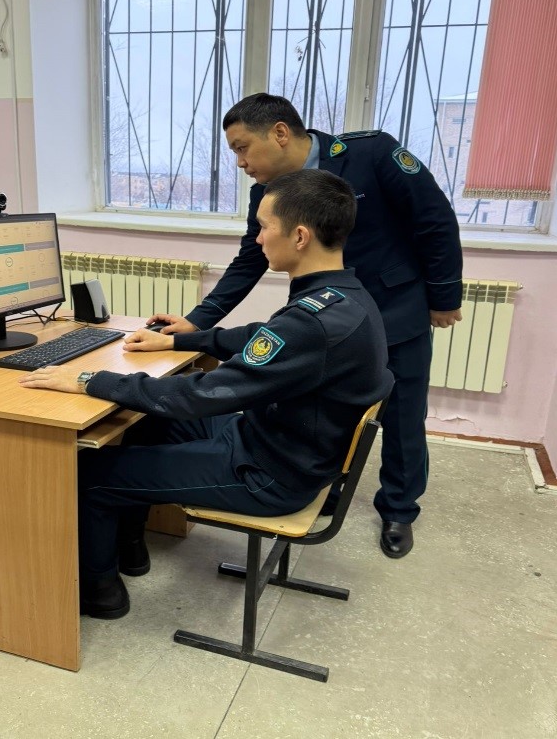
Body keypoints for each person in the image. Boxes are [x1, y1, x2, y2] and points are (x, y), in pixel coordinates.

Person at [20, 169, 394, 619]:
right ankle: (130, 550)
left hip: (270, 474)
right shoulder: (344, 295)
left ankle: (100, 592)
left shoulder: (313, 322)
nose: (258, 239)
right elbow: (264, 337)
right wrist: (181, 340)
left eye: (264, 227)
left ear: (299, 236)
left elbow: (202, 394)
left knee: (89, 474)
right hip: (280, 443)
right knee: (149, 423)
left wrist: (89, 380)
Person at [148, 93, 463, 559]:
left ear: (279, 133)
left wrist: (443, 297)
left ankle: (399, 506)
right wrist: (196, 322)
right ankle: (327, 486)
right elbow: (250, 260)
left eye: (242, 148)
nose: (240, 163)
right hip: (325, 322)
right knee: (321, 414)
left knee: (401, 415)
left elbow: (434, 220)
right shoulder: (267, 192)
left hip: (394, 310)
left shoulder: (372, 154)